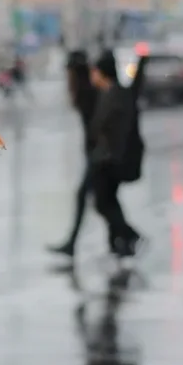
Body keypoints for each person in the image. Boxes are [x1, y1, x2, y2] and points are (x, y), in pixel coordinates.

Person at [87, 49, 145, 259]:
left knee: (104, 202)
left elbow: (118, 133)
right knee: (108, 201)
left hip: (112, 161)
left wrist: (108, 158)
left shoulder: (117, 97)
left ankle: (130, 236)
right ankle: (118, 243)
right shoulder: (108, 95)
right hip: (108, 159)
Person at [48, 49, 101, 258]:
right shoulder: (84, 92)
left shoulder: (87, 93)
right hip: (95, 153)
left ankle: (72, 243)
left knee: (89, 198)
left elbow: (96, 126)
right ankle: (125, 239)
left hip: (99, 155)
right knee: (103, 201)